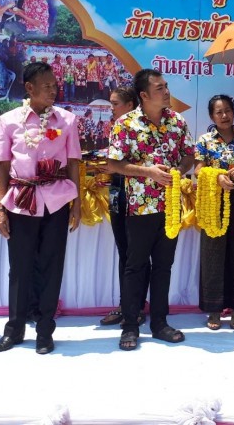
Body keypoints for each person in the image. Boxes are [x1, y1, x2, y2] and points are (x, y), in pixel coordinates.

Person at [0, 62, 82, 355]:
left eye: (55, 85)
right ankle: (14, 330)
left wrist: (77, 205)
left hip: (57, 201)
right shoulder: (8, 120)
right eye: (47, 86)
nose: (53, 90)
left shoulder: (67, 120)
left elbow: (74, 164)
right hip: (21, 202)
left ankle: (44, 331)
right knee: (20, 268)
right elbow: (3, 167)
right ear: (29, 88)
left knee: (52, 267)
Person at [108, 69, 194, 351]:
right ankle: (130, 326)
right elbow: (114, 164)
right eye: (160, 88)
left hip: (170, 206)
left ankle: (160, 323)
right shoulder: (126, 123)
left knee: (164, 266)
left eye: (166, 86)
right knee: (135, 265)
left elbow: (189, 156)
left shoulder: (177, 121)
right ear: (144, 95)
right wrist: (148, 172)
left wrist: (178, 170)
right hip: (140, 206)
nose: (166, 92)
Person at [195, 94, 234, 330]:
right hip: (213, 199)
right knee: (212, 252)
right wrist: (217, 176)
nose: (224, 116)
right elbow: (198, 170)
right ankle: (214, 309)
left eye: (228, 110)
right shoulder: (205, 140)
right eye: (219, 112)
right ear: (212, 116)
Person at [97, 87, 149, 327]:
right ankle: (126, 304)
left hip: (139, 194)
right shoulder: (116, 127)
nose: (111, 108)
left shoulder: (142, 128)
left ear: (130, 105)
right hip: (117, 191)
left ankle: (135, 306)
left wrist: (118, 166)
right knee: (124, 250)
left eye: (115, 104)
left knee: (137, 253)